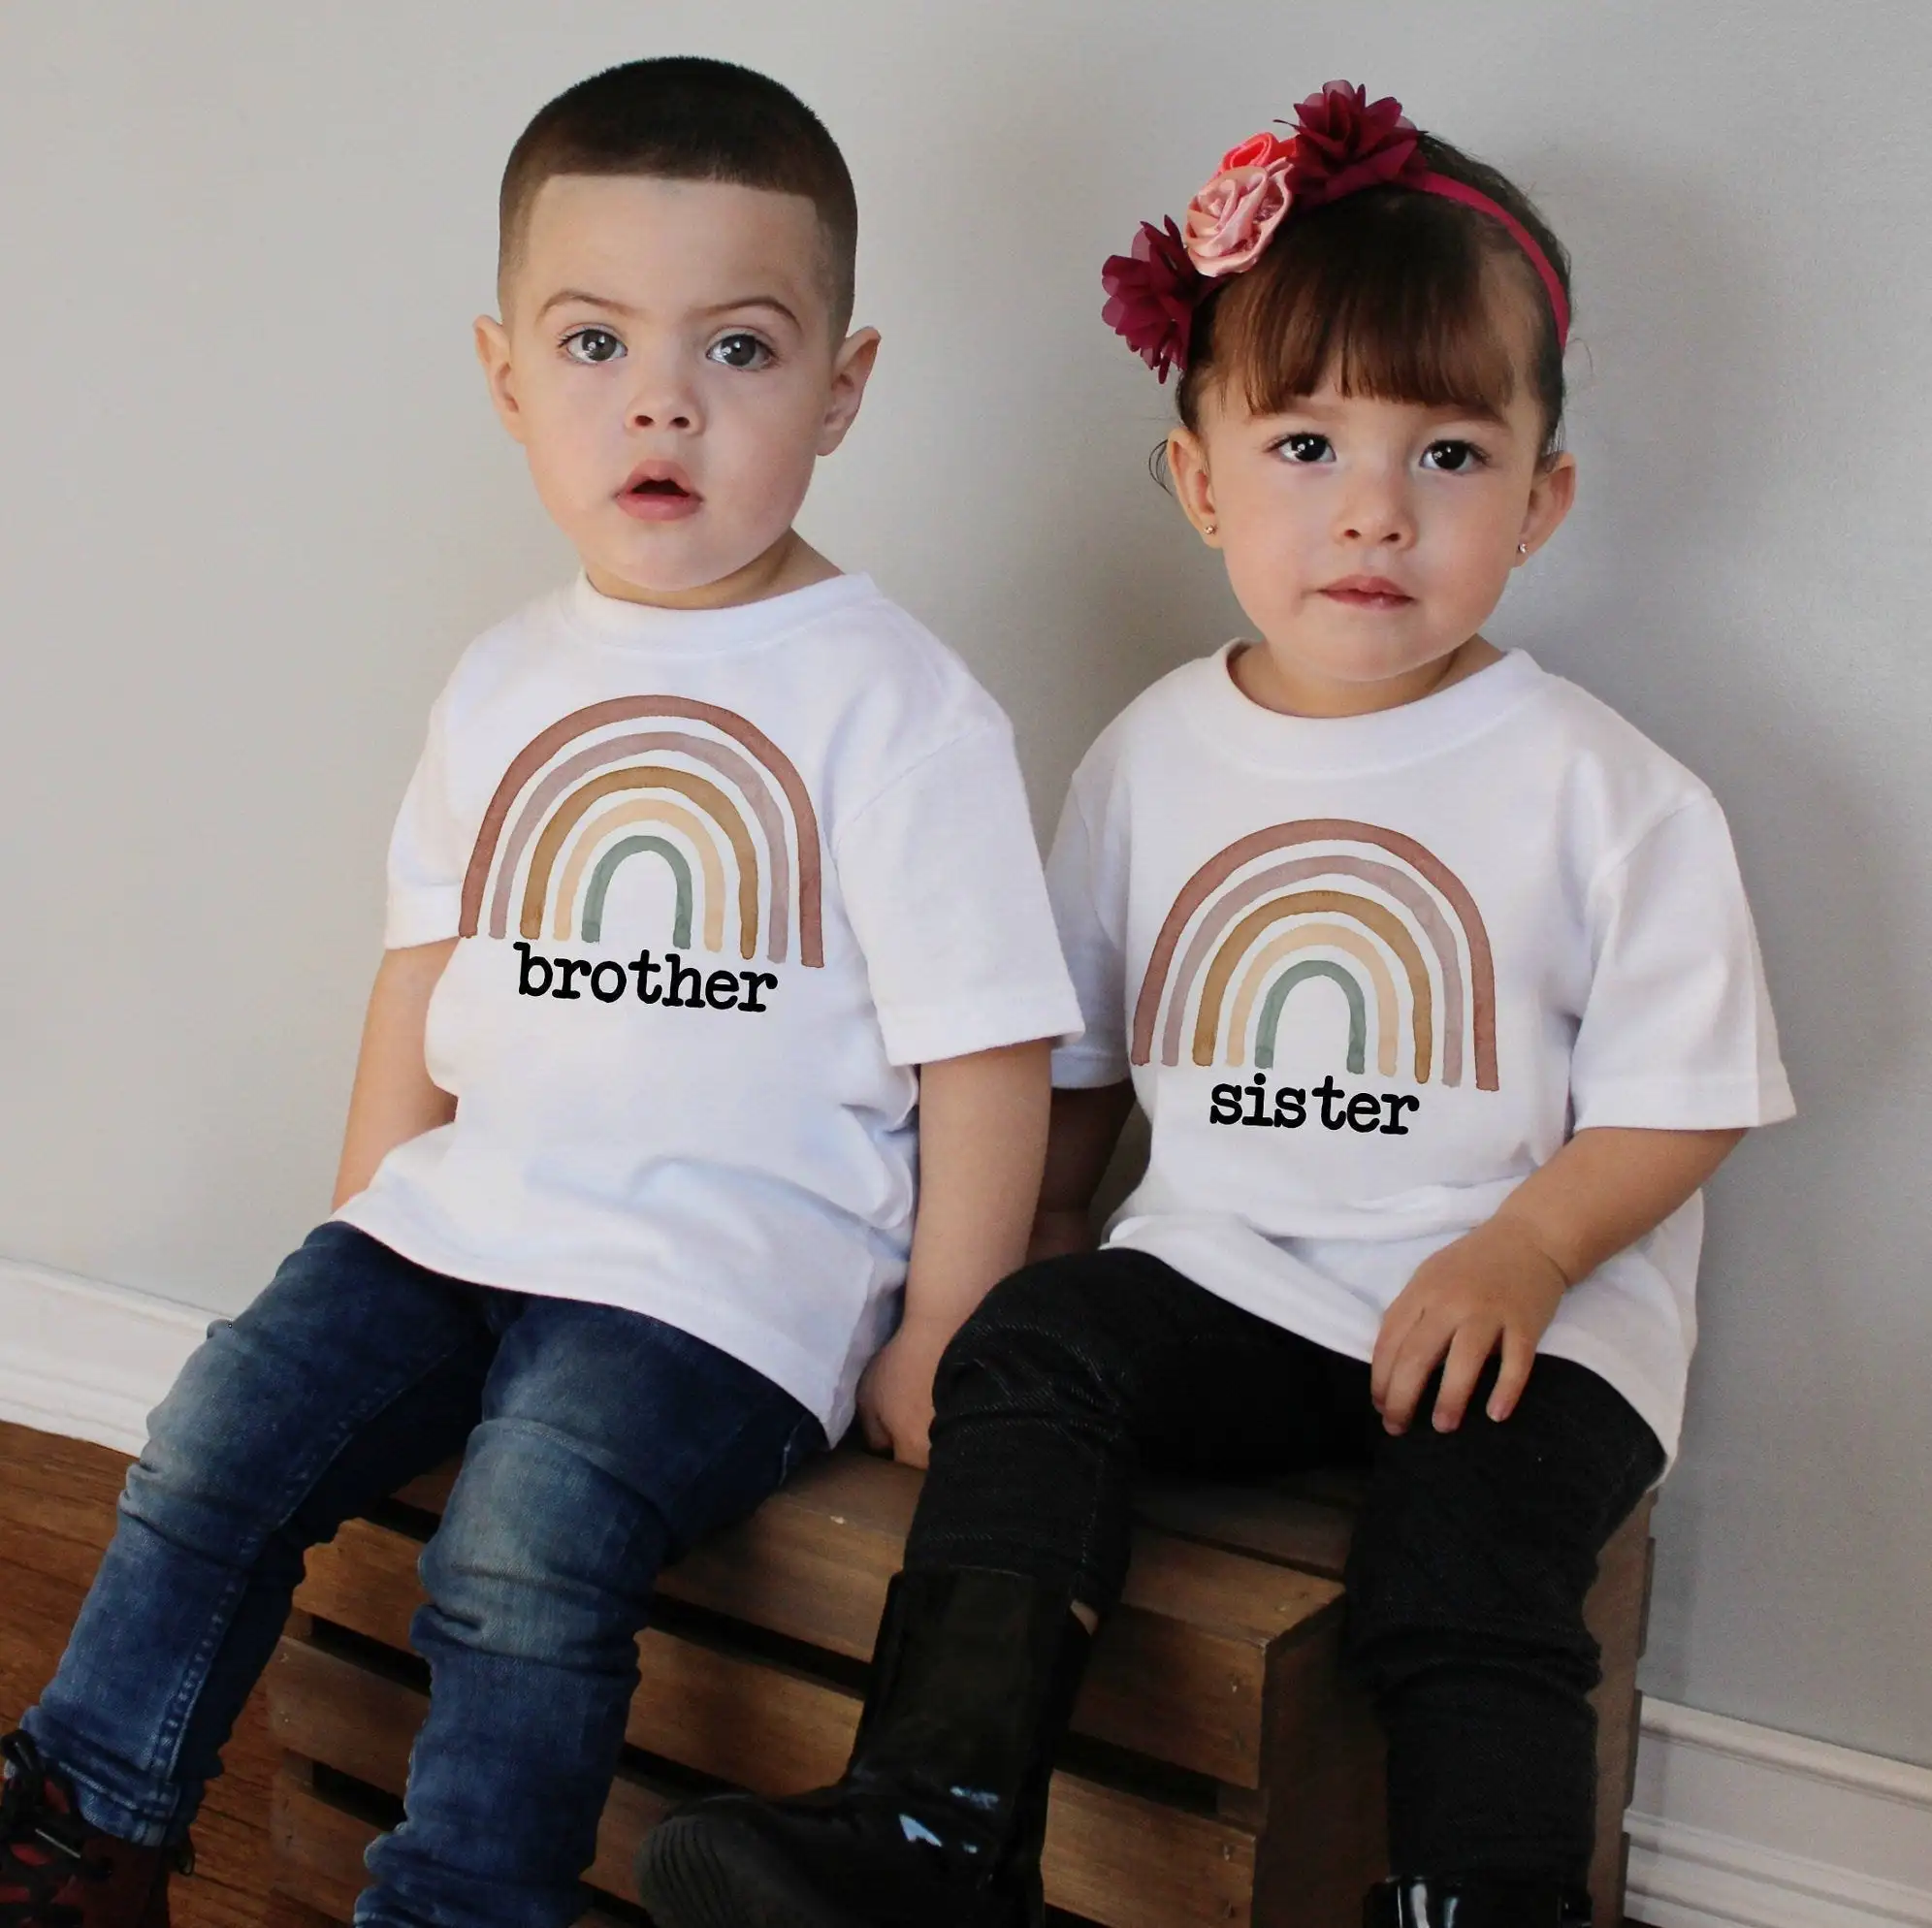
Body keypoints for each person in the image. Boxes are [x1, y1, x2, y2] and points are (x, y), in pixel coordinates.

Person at [635, 80, 1793, 1928]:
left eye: (1450, 455)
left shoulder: (1606, 789)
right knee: (1037, 1351)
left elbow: (1685, 1096)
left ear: (1543, 500)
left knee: (1463, 1571)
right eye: (1308, 445)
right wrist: (1035, 1245)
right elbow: (1082, 1062)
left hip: (1520, 1322)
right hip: (1237, 1275)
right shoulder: (1155, 754)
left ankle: (1486, 1904)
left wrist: (1524, 1252)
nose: (1376, 513)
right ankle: (932, 1834)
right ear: (1198, 482)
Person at [0, 56, 1079, 1928]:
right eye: (595, 343)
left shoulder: (895, 705)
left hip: (723, 1279)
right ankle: (84, 1823)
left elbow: (989, 1054)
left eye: (738, 349)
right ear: (507, 380)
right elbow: (423, 968)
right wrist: (363, 1220)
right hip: (466, 1222)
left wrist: (942, 1332)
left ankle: (464, 1903)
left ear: (842, 386)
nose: (663, 399)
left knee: (525, 1533)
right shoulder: (505, 676)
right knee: (218, 1432)